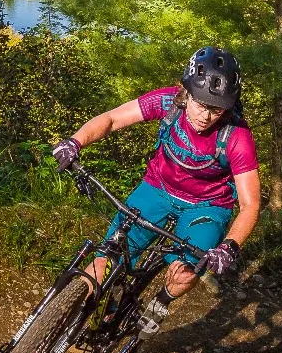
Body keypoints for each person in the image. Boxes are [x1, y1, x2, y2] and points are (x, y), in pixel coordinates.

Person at [51, 47, 260, 329]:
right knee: (107, 258)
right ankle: (61, 328)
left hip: (207, 206)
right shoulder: (169, 103)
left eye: (216, 109)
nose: (206, 116)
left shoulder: (236, 136)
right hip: (157, 188)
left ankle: (158, 304)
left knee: (185, 272)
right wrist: (75, 142)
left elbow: (250, 204)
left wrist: (229, 247)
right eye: (201, 104)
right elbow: (112, 119)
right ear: (187, 93)